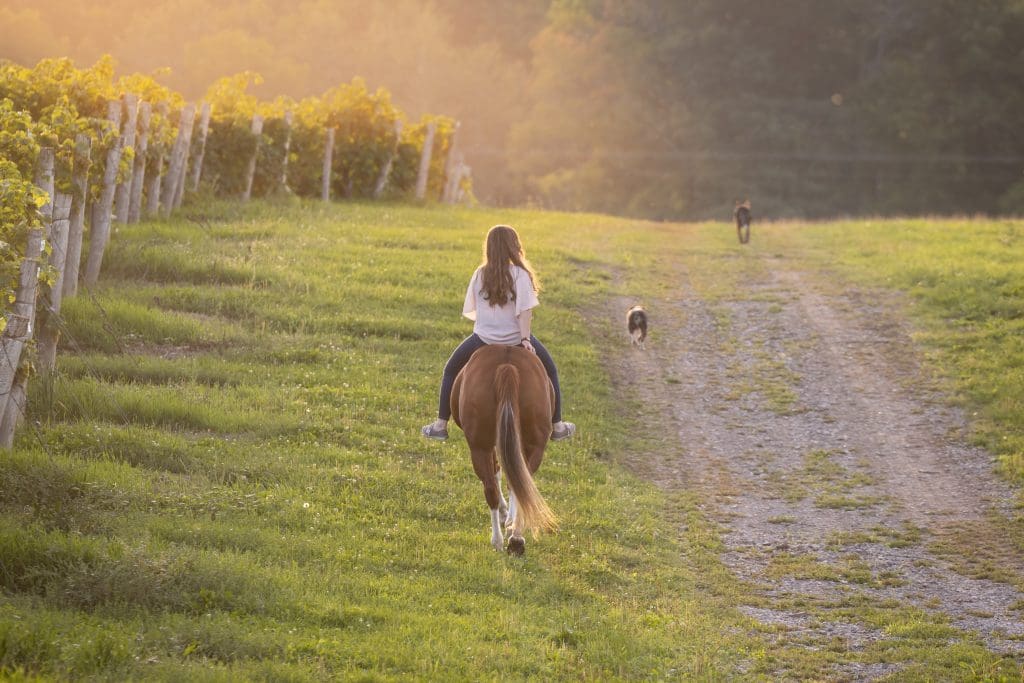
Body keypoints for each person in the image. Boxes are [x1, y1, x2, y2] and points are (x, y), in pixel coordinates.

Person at [422, 224, 576, 442]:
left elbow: (474, 309)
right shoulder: (521, 275)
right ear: (513, 247)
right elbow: (525, 312)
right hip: (515, 339)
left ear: (490, 248)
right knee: (550, 370)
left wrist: (490, 327)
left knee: (450, 370)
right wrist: (524, 340)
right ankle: (558, 426)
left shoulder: (480, 274)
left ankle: (440, 425)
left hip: (482, 339)